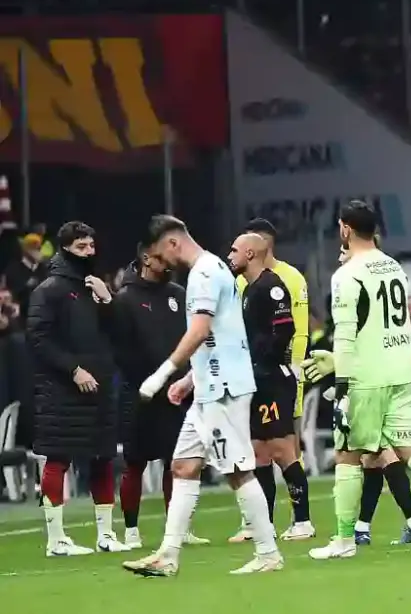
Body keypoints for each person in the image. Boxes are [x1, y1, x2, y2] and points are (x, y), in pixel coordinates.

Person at [304, 201, 411, 559]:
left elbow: (347, 334)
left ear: (345, 228)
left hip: (366, 378)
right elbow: (381, 325)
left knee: (347, 454)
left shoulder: (346, 275)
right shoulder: (393, 266)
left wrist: (342, 383)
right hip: (401, 372)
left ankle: (345, 539)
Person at [122, 215, 283, 576]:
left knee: (237, 471)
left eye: (160, 254)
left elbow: (200, 331)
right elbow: (221, 336)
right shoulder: (208, 270)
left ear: (172, 243)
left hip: (224, 388)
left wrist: (163, 374)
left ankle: (268, 553)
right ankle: (168, 555)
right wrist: (190, 380)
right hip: (210, 386)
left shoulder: (205, 274)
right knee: (183, 465)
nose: (161, 263)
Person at [27, 221, 128, 556]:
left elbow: (117, 331)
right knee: (58, 459)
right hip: (62, 389)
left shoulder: (93, 287)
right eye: (82, 247)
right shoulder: (49, 289)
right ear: (66, 248)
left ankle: (106, 535)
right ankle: (55, 539)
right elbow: (39, 339)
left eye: (92, 245)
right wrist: (73, 370)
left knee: (103, 458)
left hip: (99, 386)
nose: (89, 252)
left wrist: (107, 299)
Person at [112, 244, 209, 549]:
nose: (168, 263)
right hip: (138, 393)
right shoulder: (125, 299)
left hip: (175, 391)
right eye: (161, 258)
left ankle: (177, 528)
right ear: (145, 259)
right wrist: (144, 380)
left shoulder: (178, 294)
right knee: (134, 462)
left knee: (176, 459)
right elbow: (120, 349)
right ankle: (130, 531)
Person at [228, 233, 314, 541]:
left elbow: (285, 328)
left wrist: (264, 361)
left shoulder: (270, 286)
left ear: (250, 253)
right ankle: (264, 524)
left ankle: (303, 521)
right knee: (259, 453)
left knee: (282, 450)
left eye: (234, 250)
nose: (230, 255)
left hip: (274, 380)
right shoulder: (250, 289)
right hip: (258, 380)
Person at [344, 250, 411, 547]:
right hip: (395, 379)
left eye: (344, 250)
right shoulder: (390, 277)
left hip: (370, 381)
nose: (341, 255)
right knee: (375, 457)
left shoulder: (355, 285)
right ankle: (365, 527)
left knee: (373, 454)